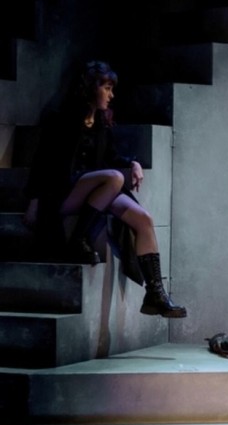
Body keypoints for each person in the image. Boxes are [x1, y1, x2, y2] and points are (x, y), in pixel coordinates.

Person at [22, 60, 187, 318]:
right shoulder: (61, 119)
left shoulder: (101, 123)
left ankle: (155, 294)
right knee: (113, 178)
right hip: (62, 193)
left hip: (97, 190)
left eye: (112, 89)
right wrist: (33, 201)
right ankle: (78, 240)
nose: (111, 95)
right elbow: (41, 163)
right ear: (90, 87)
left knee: (144, 219)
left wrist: (133, 162)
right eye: (107, 88)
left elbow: (111, 156)